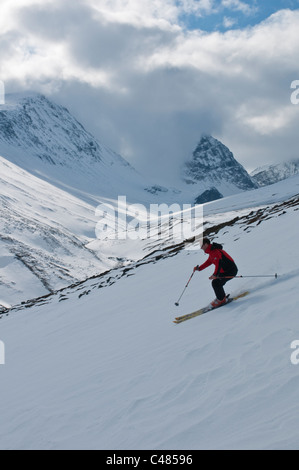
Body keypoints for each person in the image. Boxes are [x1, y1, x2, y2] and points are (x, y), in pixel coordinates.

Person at [193, 237, 238, 308]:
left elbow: (218, 264)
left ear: (206, 244)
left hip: (230, 271)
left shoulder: (215, 252)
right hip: (225, 271)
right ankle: (222, 297)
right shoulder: (212, 252)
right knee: (217, 283)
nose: (201, 248)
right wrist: (199, 268)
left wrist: (215, 275)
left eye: (201, 246)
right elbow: (209, 262)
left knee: (215, 283)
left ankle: (221, 299)